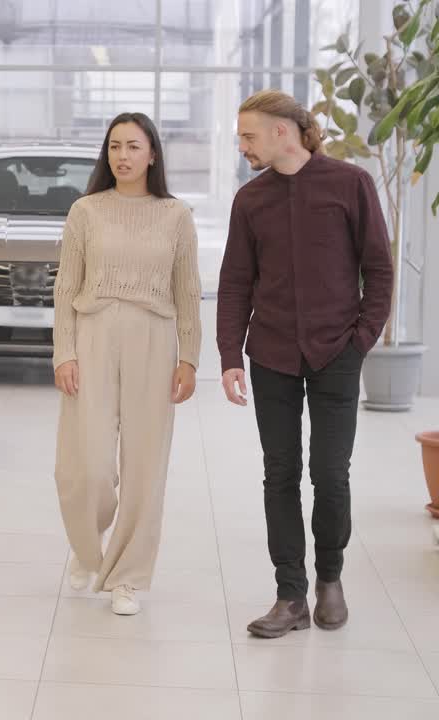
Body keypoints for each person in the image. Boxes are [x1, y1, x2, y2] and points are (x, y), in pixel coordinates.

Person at [218, 90, 393, 638]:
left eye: (248, 135)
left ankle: (331, 579)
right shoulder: (250, 201)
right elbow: (235, 283)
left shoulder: (350, 184)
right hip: (270, 354)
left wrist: (360, 339)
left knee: (330, 473)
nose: (242, 145)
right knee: (280, 473)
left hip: (336, 352)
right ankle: (290, 594)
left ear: (282, 132)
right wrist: (229, 356)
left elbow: (379, 270)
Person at [53, 113, 202, 616]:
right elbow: (66, 289)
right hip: (93, 334)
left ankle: (129, 577)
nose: (123, 155)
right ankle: (88, 543)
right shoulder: (85, 211)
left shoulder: (176, 215)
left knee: (144, 466)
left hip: (154, 340)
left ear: (153, 154)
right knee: (88, 464)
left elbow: (188, 291)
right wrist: (64, 351)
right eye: (115, 146)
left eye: (134, 146)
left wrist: (189, 357)